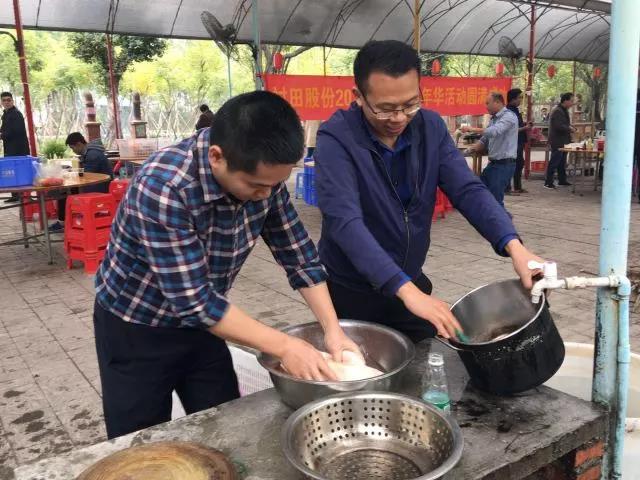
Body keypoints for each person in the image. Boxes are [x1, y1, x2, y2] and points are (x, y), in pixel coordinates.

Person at [93, 91, 361, 439]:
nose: (266, 195)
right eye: (256, 186)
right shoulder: (164, 186)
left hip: (209, 323)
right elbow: (194, 301)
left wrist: (333, 330)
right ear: (216, 157)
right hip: (137, 327)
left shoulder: (264, 179)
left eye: (275, 185)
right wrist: (285, 346)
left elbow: (299, 255)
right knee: (141, 439)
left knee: (223, 423)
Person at [314, 40, 544, 344]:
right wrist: (406, 290)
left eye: (410, 104)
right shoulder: (336, 138)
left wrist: (514, 246)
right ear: (358, 97)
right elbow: (344, 221)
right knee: (358, 365)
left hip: (410, 283)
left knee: (432, 357)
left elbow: (467, 189)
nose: (399, 118)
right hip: (352, 290)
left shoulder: (430, 128)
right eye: (385, 109)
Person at [462, 92, 519, 208]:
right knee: (481, 193)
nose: (486, 106)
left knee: (495, 201)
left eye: (488, 103)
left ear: (497, 102)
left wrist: (471, 129)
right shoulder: (494, 119)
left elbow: (494, 131)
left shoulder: (509, 116)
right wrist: (469, 150)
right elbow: (485, 139)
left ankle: (501, 219)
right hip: (493, 165)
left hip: (504, 165)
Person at [48, 132, 113, 233]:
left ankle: (65, 222)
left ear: (79, 144)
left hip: (100, 188)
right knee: (66, 190)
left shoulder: (92, 155)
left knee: (64, 193)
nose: (73, 151)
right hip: (98, 184)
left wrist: (70, 174)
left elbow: (87, 177)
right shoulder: (90, 152)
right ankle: (67, 221)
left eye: (72, 148)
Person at [1, 92, 30, 203]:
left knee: (19, 171)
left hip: (18, 149)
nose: (6, 102)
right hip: (10, 147)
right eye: (4, 100)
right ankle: (15, 195)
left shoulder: (16, 114)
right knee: (12, 171)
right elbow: (4, 129)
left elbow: (15, 132)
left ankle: (22, 196)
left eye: (9, 100)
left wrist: (2, 135)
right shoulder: (6, 114)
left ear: (12, 101)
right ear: (1, 102)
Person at [545, 93, 575, 189]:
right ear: (565, 100)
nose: (572, 103)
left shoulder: (564, 110)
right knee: (555, 161)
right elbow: (559, 126)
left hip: (564, 140)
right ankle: (548, 182)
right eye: (571, 101)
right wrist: (569, 128)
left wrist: (569, 128)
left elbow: (564, 124)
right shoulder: (557, 111)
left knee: (562, 162)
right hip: (557, 140)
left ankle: (562, 180)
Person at [504, 88, 531, 195]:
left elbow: (517, 125)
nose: (520, 100)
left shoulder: (515, 110)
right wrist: (525, 128)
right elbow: (511, 130)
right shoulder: (509, 112)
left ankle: (517, 187)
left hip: (518, 141)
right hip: (512, 142)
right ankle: (507, 188)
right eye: (519, 98)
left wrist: (525, 125)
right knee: (511, 164)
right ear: (513, 99)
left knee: (519, 163)